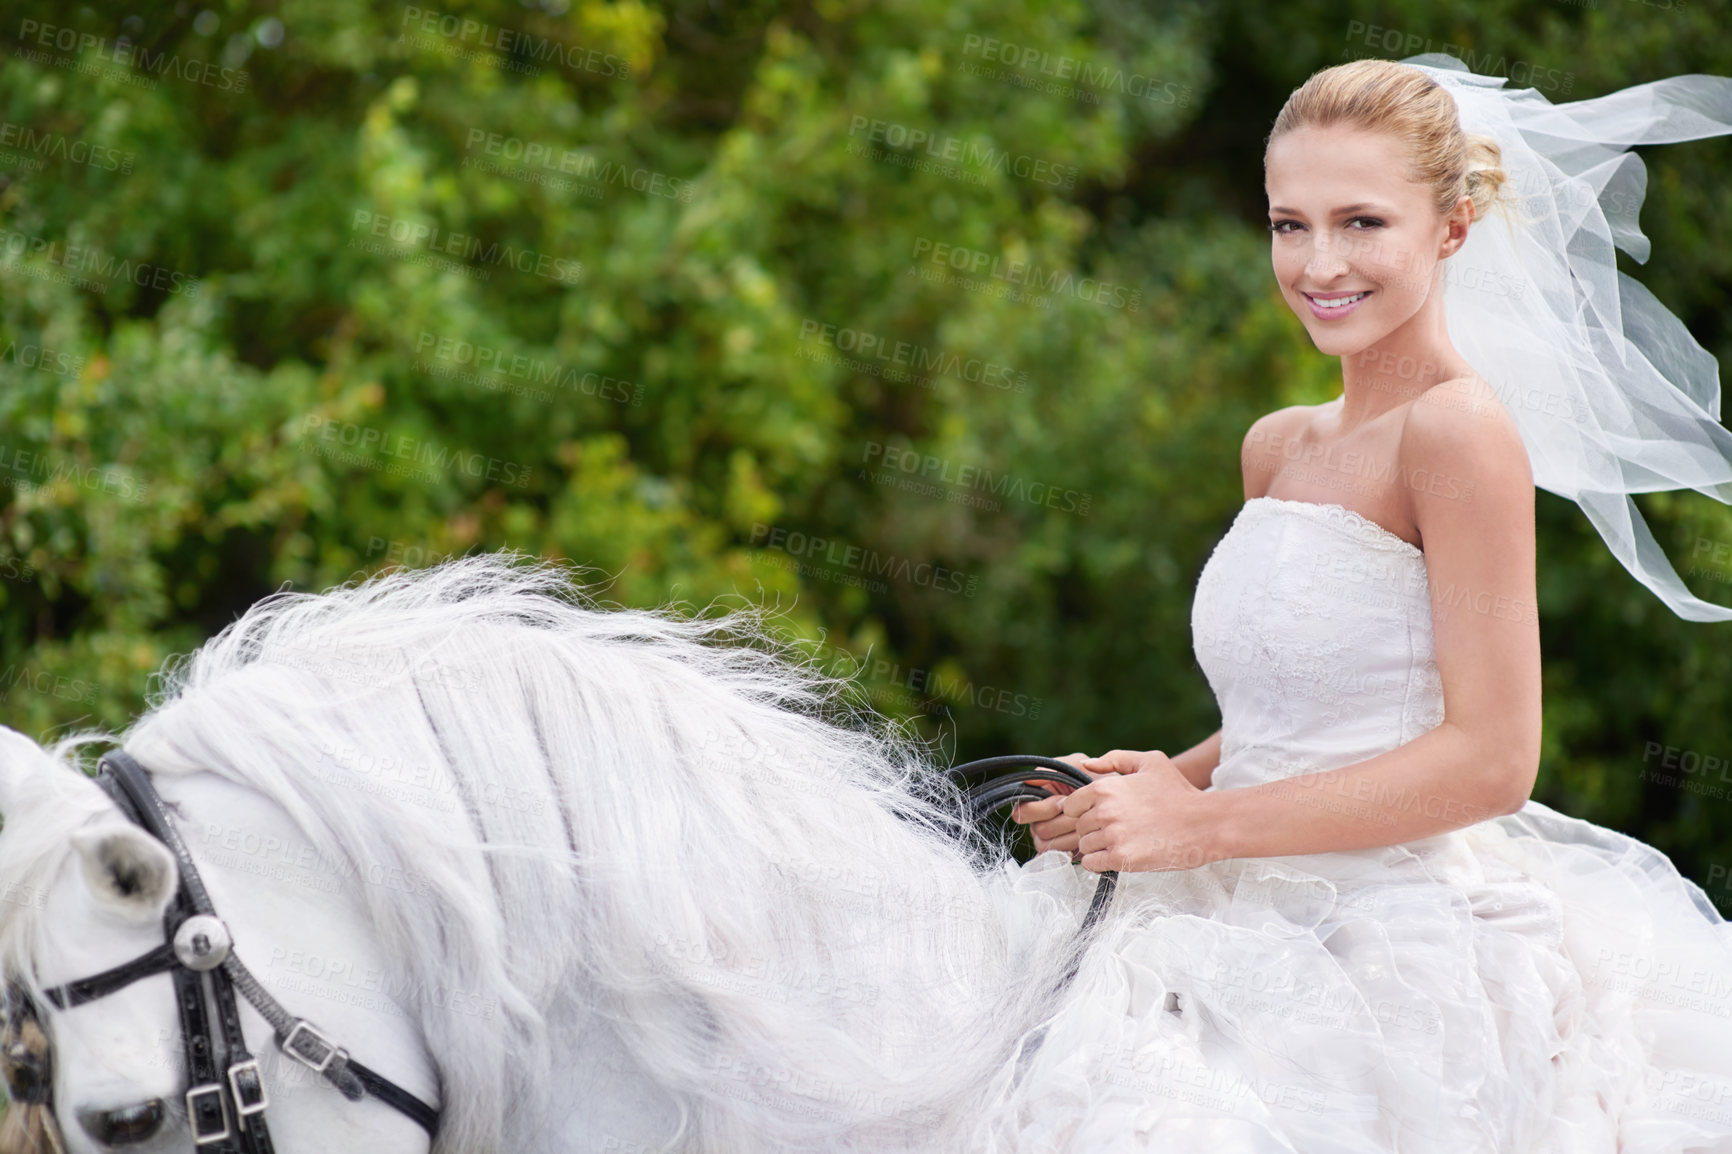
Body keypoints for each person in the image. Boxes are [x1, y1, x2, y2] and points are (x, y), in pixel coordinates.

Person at [1005, 56, 1732, 1152]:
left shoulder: (1457, 432)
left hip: (1382, 938)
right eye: (1288, 224)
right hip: (1227, 897)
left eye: (1360, 222)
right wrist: (1154, 781)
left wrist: (1200, 825)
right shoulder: (1277, 443)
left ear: (1453, 226)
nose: (1318, 263)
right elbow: (1294, 716)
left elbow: (1493, 758)